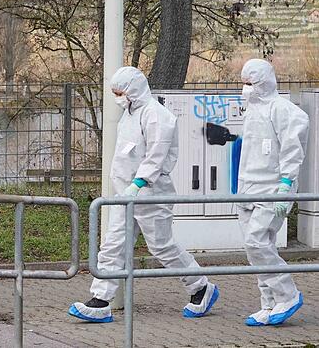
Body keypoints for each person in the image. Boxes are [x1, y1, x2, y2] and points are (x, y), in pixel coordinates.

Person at [68, 66, 219, 323]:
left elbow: (156, 154)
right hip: (126, 193)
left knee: (162, 246)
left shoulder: (157, 115)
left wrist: (139, 182)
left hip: (150, 192)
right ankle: (100, 300)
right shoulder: (130, 113)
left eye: (120, 92)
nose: (117, 98)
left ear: (133, 90)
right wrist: (127, 187)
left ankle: (201, 287)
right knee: (113, 245)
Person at [238, 59, 309, 326]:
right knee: (255, 249)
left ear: (264, 81)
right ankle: (268, 304)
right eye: (244, 83)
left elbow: (292, 151)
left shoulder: (284, 110)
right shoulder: (252, 110)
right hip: (248, 188)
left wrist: (285, 186)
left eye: (251, 83)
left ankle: (287, 295)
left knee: (257, 242)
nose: (246, 88)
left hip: (272, 187)